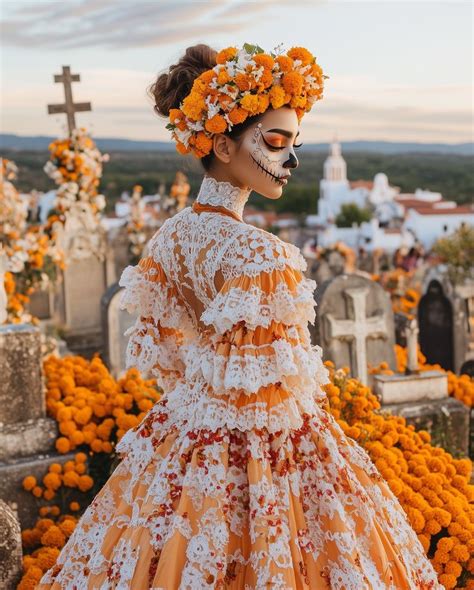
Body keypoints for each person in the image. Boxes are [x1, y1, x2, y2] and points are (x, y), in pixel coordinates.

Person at [36, 43, 441, 589]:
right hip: (264, 455)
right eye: (274, 142)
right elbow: (277, 399)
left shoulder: (171, 239)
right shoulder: (261, 256)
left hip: (183, 438)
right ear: (223, 145)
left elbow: (177, 361)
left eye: (294, 143)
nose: (290, 159)